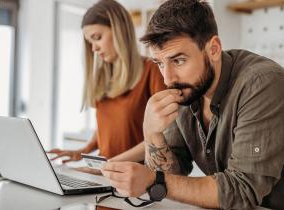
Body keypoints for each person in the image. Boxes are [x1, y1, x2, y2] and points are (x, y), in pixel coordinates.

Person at [101, 0, 284, 209]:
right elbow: (173, 172)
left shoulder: (261, 84)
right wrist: (151, 133)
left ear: (213, 49)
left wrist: (154, 180)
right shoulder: (188, 90)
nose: (168, 79)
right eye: (160, 63)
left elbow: (242, 191)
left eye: (178, 60)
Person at [49, 0, 165, 168]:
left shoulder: (152, 71)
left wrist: (109, 165)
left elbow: (162, 138)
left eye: (97, 38)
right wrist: (83, 151)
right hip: (105, 173)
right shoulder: (105, 77)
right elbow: (107, 128)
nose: (94, 48)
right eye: (90, 42)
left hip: (136, 178)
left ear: (120, 31)